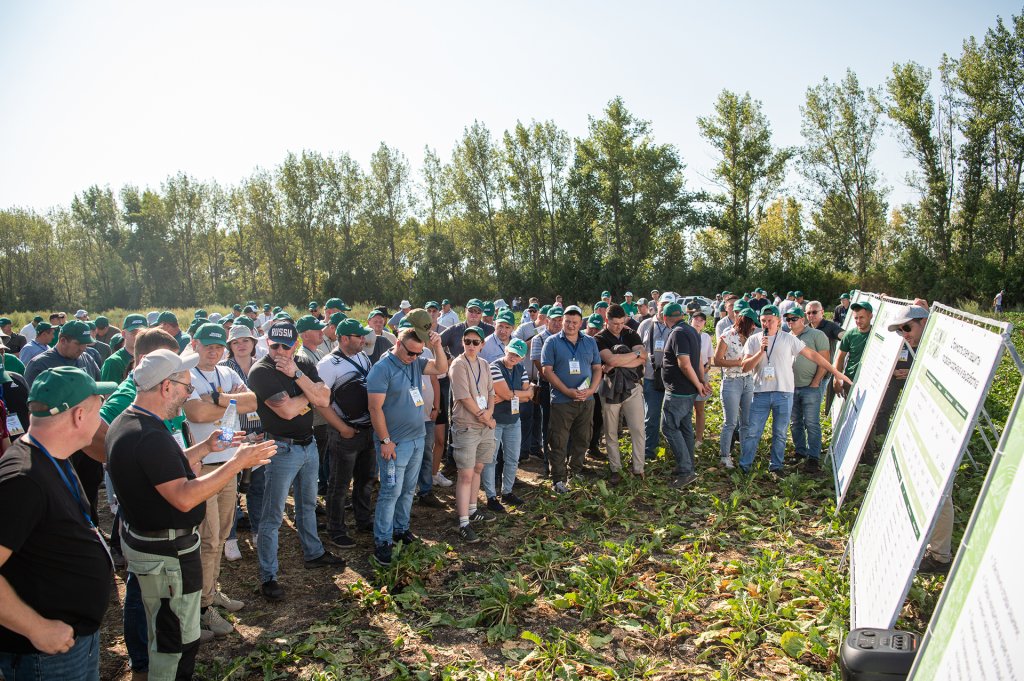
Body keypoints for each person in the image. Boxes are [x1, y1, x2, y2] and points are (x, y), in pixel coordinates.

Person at [107, 349, 276, 680]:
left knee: (164, 631)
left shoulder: (129, 422)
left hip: (150, 547)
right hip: (167, 557)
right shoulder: (149, 435)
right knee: (175, 640)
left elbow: (161, 468)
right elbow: (184, 497)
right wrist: (236, 463)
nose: (189, 393)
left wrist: (206, 447)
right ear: (165, 387)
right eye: (186, 386)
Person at [0, 367, 116, 681]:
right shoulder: (22, 479)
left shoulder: (54, 456)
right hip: (45, 653)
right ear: (79, 415)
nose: (101, 421)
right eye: (99, 410)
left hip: (73, 640)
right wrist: (36, 628)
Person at [247, 321, 345, 601]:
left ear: (295, 345)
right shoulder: (261, 371)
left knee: (307, 505)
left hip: (308, 444)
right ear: (267, 344)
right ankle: (269, 576)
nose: (279, 351)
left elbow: (325, 399)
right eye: (274, 345)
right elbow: (288, 411)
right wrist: (310, 394)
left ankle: (313, 553)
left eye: (285, 346)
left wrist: (298, 376)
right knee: (273, 515)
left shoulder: (302, 364)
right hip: (281, 448)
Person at [183, 324, 259, 638]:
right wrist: (230, 403)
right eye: (207, 346)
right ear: (194, 345)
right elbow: (196, 413)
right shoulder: (187, 373)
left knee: (224, 530)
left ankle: (211, 591)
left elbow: (252, 402)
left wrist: (216, 399)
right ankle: (201, 606)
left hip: (228, 462)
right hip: (203, 466)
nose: (213, 352)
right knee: (210, 537)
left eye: (218, 347)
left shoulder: (225, 373)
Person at [366, 322, 447, 565]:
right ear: (398, 344)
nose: (414, 357)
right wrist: (385, 440)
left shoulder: (416, 362)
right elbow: (374, 408)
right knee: (390, 491)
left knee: (408, 488)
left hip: (416, 439)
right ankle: (383, 540)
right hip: (394, 444)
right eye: (410, 352)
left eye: (418, 353)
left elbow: (441, 367)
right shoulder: (382, 369)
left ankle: (401, 529)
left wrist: (437, 346)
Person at [739, 306, 851, 475]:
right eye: (763, 321)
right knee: (753, 432)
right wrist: (760, 352)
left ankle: (776, 466)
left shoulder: (788, 339)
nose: (767, 324)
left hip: (784, 393)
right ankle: (745, 466)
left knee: (780, 433)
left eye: (770, 320)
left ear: (778, 321)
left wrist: (835, 372)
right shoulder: (754, 340)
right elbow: (745, 367)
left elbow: (813, 355)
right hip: (761, 393)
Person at [316, 318, 378, 549]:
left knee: (366, 479)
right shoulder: (327, 365)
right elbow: (320, 402)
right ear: (344, 339)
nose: (363, 340)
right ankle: (336, 529)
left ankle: (363, 519)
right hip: (345, 433)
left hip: (367, 430)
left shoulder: (362, 356)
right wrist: (342, 428)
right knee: (339, 484)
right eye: (358, 336)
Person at [541, 306, 602, 493]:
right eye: (567, 321)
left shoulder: (590, 342)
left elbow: (597, 368)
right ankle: (558, 479)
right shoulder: (552, 342)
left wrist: (591, 390)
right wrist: (567, 391)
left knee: (583, 438)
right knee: (558, 440)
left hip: (586, 400)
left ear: (581, 323)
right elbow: (547, 371)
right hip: (562, 401)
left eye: (575, 322)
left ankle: (575, 471)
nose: (571, 325)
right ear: (562, 321)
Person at [449, 326, 497, 541]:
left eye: (475, 342)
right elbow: (464, 397)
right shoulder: (458, 364)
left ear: (482, 345)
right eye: (467, 341)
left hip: (484, 426)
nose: (471, 345)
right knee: (465, 475)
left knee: (478, 468)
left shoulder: (484, 364)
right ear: (462, 342)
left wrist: (489, 413)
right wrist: (486, 418)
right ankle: (463, 522)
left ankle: (472, 509)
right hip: (467, 426)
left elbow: (491, 393)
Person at [595, 304, 647, 484]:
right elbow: (610, 359)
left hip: (633, 386)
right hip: (610, 388)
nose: (618, 327)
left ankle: (638, 468)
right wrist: (634, 355)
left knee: (638, 429)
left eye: (621, 323)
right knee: (611, 431)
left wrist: (619, 361)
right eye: (614, 323)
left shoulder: (631, 333)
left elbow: (643, 357)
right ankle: (615, 468)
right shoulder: (599, 338)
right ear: (606, 320)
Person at [660, 303, 710, 488]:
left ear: (665, 318)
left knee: (669, 427)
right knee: (685, 426)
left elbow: (685, 364)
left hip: (679, 391)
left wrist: (699, 384)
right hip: (688, 390)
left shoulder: (678, 333)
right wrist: (701, 381)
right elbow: (699, 360)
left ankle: (686, 470)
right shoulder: (691, 331)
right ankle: (688, 464)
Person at [482, 338, 531, 510]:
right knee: (491, 459)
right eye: (511, 352)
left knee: (512, 458)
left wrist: (506, 396)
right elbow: (520, 393)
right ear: (506, 350)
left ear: (522, 357)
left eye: (518, 355)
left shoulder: (521, 368)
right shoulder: (494, 367)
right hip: (495, 420)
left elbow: (529, 395)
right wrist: (516, 394)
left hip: (513, 420)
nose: (513, 357)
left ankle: (507, 492)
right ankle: (490, 496)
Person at [785, 307, 830, 473]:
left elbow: (825, 361)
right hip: (790, 388)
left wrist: (816, 382)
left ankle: (813, 457)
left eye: (794, 319)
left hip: (810, 387)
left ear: (802, 319)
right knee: (795, 422)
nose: (790, 322)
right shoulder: (786, 337)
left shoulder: (817, 335)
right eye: (788, 319)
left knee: (811, 423)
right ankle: (800, 452)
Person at [714, 308, 758, 469]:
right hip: (732, 381)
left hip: (748, 380)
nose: (754, 327)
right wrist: (738, 363)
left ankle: (745, 455)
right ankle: (725, 456)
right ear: (745, 322)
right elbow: (717, 360)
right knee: (730, 422)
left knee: (746, 422)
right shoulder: (727, 336)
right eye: (752, 324)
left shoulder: (751, 339)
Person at [637, 293, 674, 460]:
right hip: (651, 377)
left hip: (672, 380)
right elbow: (637, 349)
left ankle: (671, 450)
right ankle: (649, 452)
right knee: (651, 416)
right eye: (663, 304)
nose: (665, 308)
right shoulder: (645, 325)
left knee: (671, 418)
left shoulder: (676, 326)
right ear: (657, 305)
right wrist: (638, 373)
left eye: (669, 305)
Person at [833, 300, 874, 397]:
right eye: (856, 318)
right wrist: (837, 379)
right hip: (850, 380)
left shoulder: (876, 334)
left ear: (870, 316)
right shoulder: (849, 335)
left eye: (862, 317)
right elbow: (840, 358)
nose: (858, 321)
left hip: (870, 381)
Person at [101, 314, 149, 384]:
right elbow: (111, 390)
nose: (138, 336)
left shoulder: (152, 357)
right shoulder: (114, 362)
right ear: (123, 334)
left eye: (142, 333)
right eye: (134, 333)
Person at [690, 311, 714, 448]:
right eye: (696, 319)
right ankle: (687, 436)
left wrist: (704, 371)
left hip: (702, 375)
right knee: (686, 409)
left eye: (701, 320)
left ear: (704, 323)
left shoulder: (706, 337)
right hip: (687, 375)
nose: (698, 322)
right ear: (691, 320)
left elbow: (709, 359)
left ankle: (699, 439)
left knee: (699, 408)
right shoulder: (685, 334)